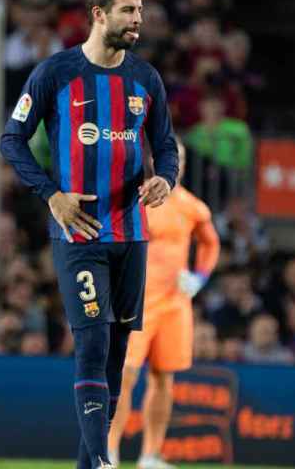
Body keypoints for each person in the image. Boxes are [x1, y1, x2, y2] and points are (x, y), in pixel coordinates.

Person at [0, 0, 178, 469]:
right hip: (79, 233)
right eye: (128, 9)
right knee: (93, 339)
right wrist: (52, 194)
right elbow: (10, 139)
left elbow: (165, 146)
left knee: (117, 355)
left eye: (140, 9)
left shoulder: (146, 78)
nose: (138, 18)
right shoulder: (55, 73)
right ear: (99, 14)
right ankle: (103, 459)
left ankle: (90, 464)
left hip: (133, 235)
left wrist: (166, 178)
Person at [107, 137, 220, 469]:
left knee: (163, 378)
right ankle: (109, 452)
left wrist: (199, 277)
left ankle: (150, 456)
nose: (176, 162)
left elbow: (211, 245)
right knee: (125, 375)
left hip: (175, 304)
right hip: (136, 301)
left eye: (180, 157)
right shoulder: (134, 199)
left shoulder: (193, 207)